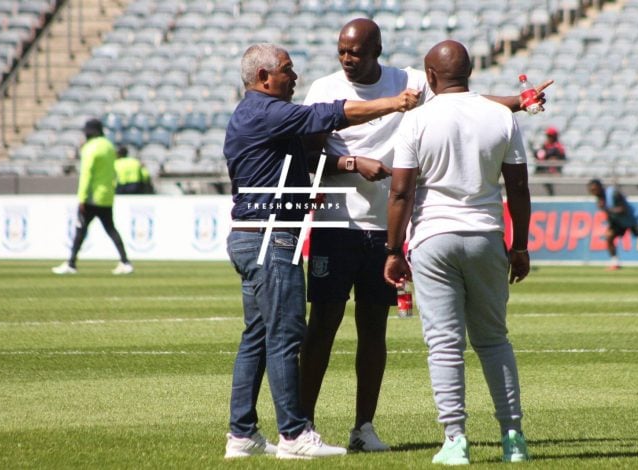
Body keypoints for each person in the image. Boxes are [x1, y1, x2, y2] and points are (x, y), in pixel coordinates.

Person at [299, 17, 551, 453]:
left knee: (374, 328)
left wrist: (516, 101)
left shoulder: (410, 83)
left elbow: (462, 100)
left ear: (378, 50)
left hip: (386, 227)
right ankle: (302, 426)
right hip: (336, 220)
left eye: (355, 52)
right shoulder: (323, 89)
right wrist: (352, 164)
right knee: (322, 324)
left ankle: (365, 426)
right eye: (341, 50)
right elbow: (306, 146)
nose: (346, 58)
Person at [222, 42, 419, 460]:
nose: (295, 77)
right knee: (285, 335)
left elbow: (293, 162)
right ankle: (294, 435)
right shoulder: (270, 112)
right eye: (288, 70)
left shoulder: (247, 114)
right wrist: (394, 103)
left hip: (248, 233)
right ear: (264, 78)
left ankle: (242, 434)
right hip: (271, 238)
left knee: (255, 337)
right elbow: (328, 115)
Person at [384, 40, 531, 465]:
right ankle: (513, 438)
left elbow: (400, 191)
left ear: (430, 76)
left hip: (433, 238)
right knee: (493, 340)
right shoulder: (501, 115)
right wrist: (519, 245)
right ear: (469, 71)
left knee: (445, 345)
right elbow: (518, 187)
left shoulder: (416, 120)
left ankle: (455, 440)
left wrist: (394, 250)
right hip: (486, 234)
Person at [52, 118, 133, 275]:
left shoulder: (90, 148)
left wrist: (82, 198)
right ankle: (125, 261)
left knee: (80, 229)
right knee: (111, 229)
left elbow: (86, 174)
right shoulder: (109, 147)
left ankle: (71, 263)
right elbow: (113, 171)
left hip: (91, 197)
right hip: (106, 196)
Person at [587, 179, 638, 270]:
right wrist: (611, 225)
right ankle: (615, 262)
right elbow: (610, 215)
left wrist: (607, 209)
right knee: (609, 236)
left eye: (595, 189)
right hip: (620, 223)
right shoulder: (600, 200)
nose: (594, 192)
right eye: (592, 191)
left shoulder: (613, 194)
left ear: (600, 187)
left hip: (634, 220)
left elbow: (623, 209)